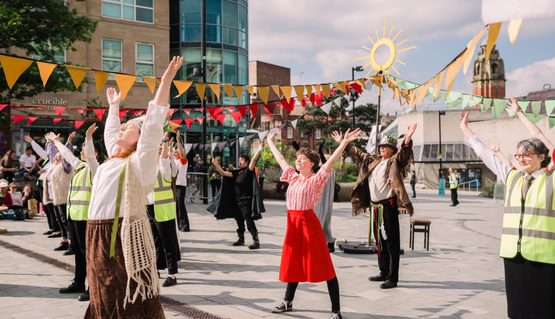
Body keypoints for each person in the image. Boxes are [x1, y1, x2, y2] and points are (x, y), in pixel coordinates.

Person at [84, 56, 183, 319]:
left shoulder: (140, 163)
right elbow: (110, 133)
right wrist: (114, 107)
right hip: (96, 234)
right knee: (102, 295)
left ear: (139, 140)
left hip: (120, 235)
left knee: (126, 298)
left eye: (127, 127)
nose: (120, 130)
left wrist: (165, 83)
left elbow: (152, 126)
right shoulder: (112, 160)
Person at [460, 101, 555, 319]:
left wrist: (520, 114)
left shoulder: (551, 179)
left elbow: (544, 140)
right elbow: (486, 154)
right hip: (514, 256)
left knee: (545, 310)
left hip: (545, 258)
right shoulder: (512, 177)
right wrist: (467, 131)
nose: (521, 158)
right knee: (518, 310)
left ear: (542, 157)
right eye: (519, 154)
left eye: (528, 154)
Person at [266, 128, 360, 319]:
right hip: (292, 225)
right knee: (293, 264)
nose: (298, 160)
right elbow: (282, 160)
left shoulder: (316, 179)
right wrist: (270, 143)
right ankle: (287, 302)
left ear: (311, 164)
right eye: (298, 158)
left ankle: (336, 311)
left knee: (325, 266)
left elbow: (331, 160)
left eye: (302, 159)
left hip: (308, 224)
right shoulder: (292, 176)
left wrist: (343, 143)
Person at [337, 125, 416, 290]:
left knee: (392, 243)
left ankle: (393, 278)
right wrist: (344, 143)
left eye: (386, 147)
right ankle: (383, 271)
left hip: (388, 206)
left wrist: (407, 138)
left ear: (392, 150)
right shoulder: (373, 161)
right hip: (375, 208)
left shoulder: (395, 161)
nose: (382, 149)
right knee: (379, 242)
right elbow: (358, 154)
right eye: (381, 146)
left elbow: (404, 154)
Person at [52, 123, 98, 302]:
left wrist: (88, 138)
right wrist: (56, 142)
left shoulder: (94, 169)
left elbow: (91, 156)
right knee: (79, 252)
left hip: (86, 218)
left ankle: (92, 288)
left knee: (88, 253)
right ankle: (78, 282)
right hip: (74, 217)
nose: (82, 152)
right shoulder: (79, 167)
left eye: (85, 149)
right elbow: (67, 155)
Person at [210, 142, 264, 249]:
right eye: (239, 159)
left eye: (242, 160)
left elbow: (253, 160)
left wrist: (259, 149)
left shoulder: (248, 171)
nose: (240, 161)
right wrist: (216, 165)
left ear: (246, 162)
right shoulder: (236, 172)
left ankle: (256, 240)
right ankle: (241, 239)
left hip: (246, 201)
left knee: (249, 220)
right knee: (239, 220)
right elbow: (223, 173)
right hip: (237, 201)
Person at [146, 140, 181, 287]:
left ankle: (172, 274)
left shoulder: (164, 168)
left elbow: (168, 166)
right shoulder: (148, 168)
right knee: (155, 241)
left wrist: (165, 146)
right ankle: (157, 268)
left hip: (163, 209)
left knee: (168, 242)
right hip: (150, 208)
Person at [45, 132, 76, 254]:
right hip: (56, 198)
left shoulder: (65, 166)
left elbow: (67, 155)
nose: (56, 157)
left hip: (64, 197)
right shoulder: (54, 165)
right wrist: (50, 142)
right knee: (60, 220)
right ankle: (64, 240)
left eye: (59, 156)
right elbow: (50, 154)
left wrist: (68, 141)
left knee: (66, 221)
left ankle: (72, 243)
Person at [313, 141, 337, 252]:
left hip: (323, 201)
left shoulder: (328, 172)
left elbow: (324, 166)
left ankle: (327, 242)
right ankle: (329, 242)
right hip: (319, 200)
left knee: (322, 222)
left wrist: (320, 151)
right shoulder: (320, 172)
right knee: (322, 223)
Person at [173, 131, 190, 231]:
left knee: (180, 205)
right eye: (175, 152)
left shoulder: (183, 161)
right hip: (173, 186)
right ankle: (178, 225)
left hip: (180, 186)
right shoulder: (173, 160)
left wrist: (178, 140)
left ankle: (184, 225)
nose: (176, 153)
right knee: (175, 206)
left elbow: (182, 153)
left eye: (177, 152)